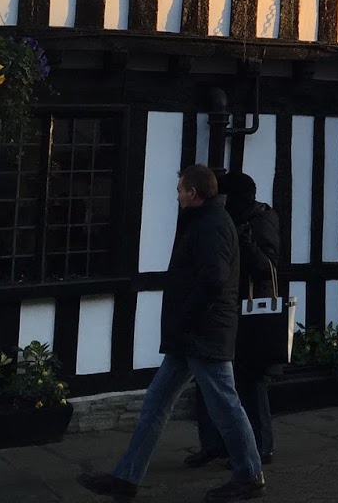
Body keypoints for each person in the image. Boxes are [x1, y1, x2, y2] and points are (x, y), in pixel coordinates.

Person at [78, 164, 265, 503]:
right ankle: (126, 477)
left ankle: (249, 475)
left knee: (225, 406)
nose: (177, 196)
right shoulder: (203, 221)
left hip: (204, 334)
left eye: (180, 190)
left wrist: (185, 316)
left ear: (193, 193)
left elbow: (214, 279)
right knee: (156, 403)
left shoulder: (211, 224)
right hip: (190, 336)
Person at [187, 171, 281, 468]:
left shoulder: (261, 219)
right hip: (225, 307)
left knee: (251, 379)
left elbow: (267, 267)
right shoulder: (223, 219)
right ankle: (215, 444)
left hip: (250, 309)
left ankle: (261, 446)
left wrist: (245, 240)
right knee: (210, 378)